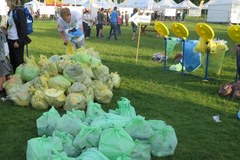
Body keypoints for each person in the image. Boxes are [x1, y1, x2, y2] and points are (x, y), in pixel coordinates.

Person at [6, 0, 31, 73]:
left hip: (17, 40)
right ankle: (15, 78)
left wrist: (19, 41)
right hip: (10, 39)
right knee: (13, 61)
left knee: (18, 62)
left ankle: (20, 79)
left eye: (6, 1)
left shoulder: (19, 11)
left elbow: (24, 28)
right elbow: (10, 26)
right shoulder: (10, 11)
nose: (5, 2)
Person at [0, 15, 12, 97]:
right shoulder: (1, 32)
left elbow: (5, 46)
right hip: (2, 56)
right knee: (2, 73)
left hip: (1, 57)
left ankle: (1, 90)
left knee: (1, 75)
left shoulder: (1, 33)